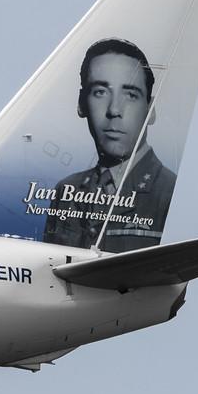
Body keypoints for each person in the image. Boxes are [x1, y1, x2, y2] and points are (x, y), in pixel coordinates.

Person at [40, 38, 177, 250]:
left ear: (150, 110)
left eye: (130, 94)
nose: (114, 110)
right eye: (100, 92)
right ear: (81, 104)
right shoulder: (66, 190)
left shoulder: (170, 194)